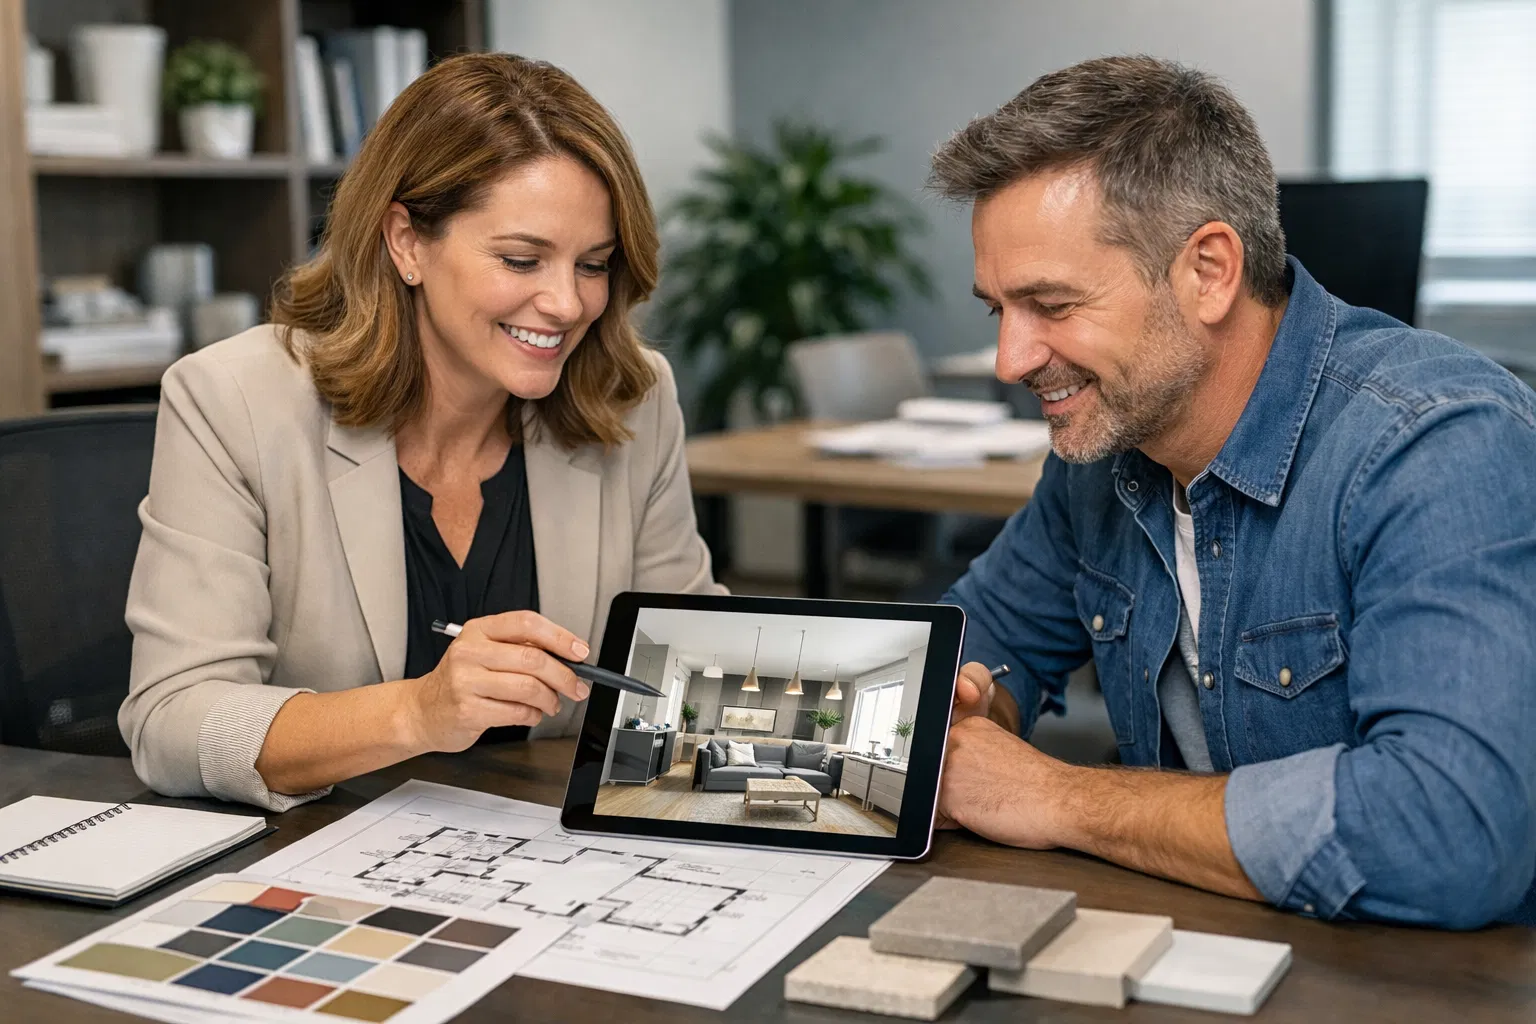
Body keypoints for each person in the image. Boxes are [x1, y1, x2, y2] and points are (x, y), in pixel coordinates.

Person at [933, 55, 1536, 928]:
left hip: (1425, 977)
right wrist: (970, 713)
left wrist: (1056, 796)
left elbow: (1449, 834)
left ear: (1210, 271)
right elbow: (971, 647)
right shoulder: (1104, 452)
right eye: (999, 310)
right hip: (1205, 943)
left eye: (1052, 305)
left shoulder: (1438, 446)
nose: (1010, 360)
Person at [119, 54, 723, 813]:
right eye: (522, 260)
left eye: (593, 265)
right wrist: (418, 711)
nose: (568, 304)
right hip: (324, 851)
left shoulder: (630, 396)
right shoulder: (234, 400)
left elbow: (685, 662)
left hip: (549, 848)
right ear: (406, 241)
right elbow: (174, 722)